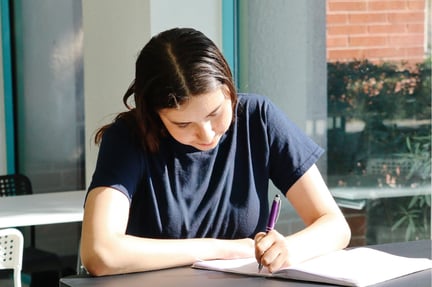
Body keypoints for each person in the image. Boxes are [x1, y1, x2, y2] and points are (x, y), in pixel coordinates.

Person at [80, 27, 351, 276]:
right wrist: (224, 249)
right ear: (154, 115)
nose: (207, 134)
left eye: (215, 113)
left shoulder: (257, 118)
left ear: (228, 89)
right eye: (183, 124)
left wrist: (290, 248)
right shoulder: (128, 138)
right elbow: (100, 253)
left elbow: (335, 226)